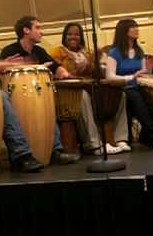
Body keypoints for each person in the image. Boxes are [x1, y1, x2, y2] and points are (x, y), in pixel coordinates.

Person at [0, 11, 79, 166]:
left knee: (46, 100)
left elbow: (55, 66)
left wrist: (64, 73)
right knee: (4, 97)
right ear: (26, 30)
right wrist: (9, 64)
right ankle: (21, 154)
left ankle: (55, 150)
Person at [50, 22, 130, 154]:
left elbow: (96, 72)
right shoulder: (57, 52)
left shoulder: (87, 52)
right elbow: (56, 72)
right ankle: (94, 143)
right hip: (69, 92)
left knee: (120, 95)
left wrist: (97, 61)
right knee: (83, 97)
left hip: (89, 87)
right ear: (64, 36)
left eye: (76, 34)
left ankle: (120, 139)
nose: (73, 37)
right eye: (69, 34)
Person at [106, 19, 153, 149]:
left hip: (140, 86)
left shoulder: (139, 50)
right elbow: (110, 77)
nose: (137, 29)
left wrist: (147, 71)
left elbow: (143, 72)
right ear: (123, 31)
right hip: (124, 88)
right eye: (133, 27)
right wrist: (131, 77)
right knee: (135, 96)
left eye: (137, 27)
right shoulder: (115, 52)